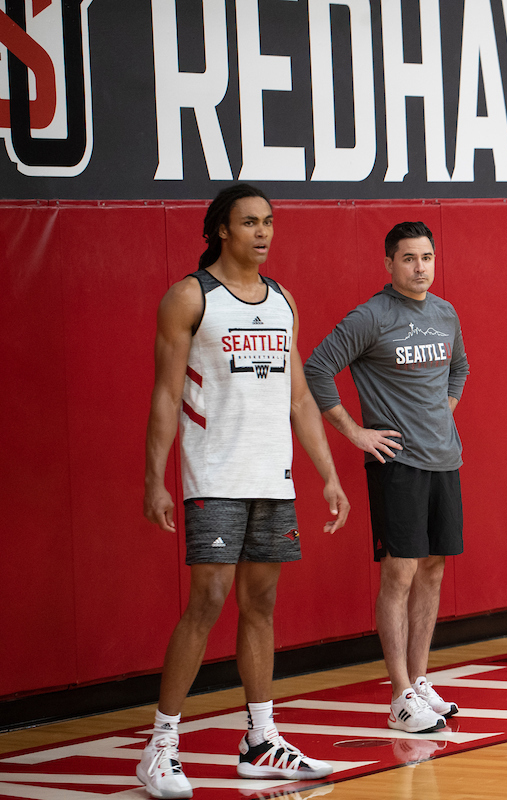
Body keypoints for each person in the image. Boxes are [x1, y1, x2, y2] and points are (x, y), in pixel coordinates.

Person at [140, 183, 350, 800]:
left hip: (272, 477)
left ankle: (261, 740)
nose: (262, 233)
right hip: (215, 476)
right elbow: (165, 396)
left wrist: (329, 472)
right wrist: (155, 479)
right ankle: (160, 747)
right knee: (207, 599)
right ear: (221, 230)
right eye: (250, 222)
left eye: (269, 222)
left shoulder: (282, 299)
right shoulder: (189, 298)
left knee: (260, 605)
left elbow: (299, 397)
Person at [305, 221, 469, 734]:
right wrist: (354, 432)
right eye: (409, 259)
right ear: (389, 265)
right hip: (397, 465)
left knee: (435, 568)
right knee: (400, 573)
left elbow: (459, 368)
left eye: (426, 258)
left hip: (445, 459)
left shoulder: (445, 313)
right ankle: (398, 693)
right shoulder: (371, 316)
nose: (420, 268)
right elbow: (315, 368)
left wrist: (443, 412)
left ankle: (420, 682)